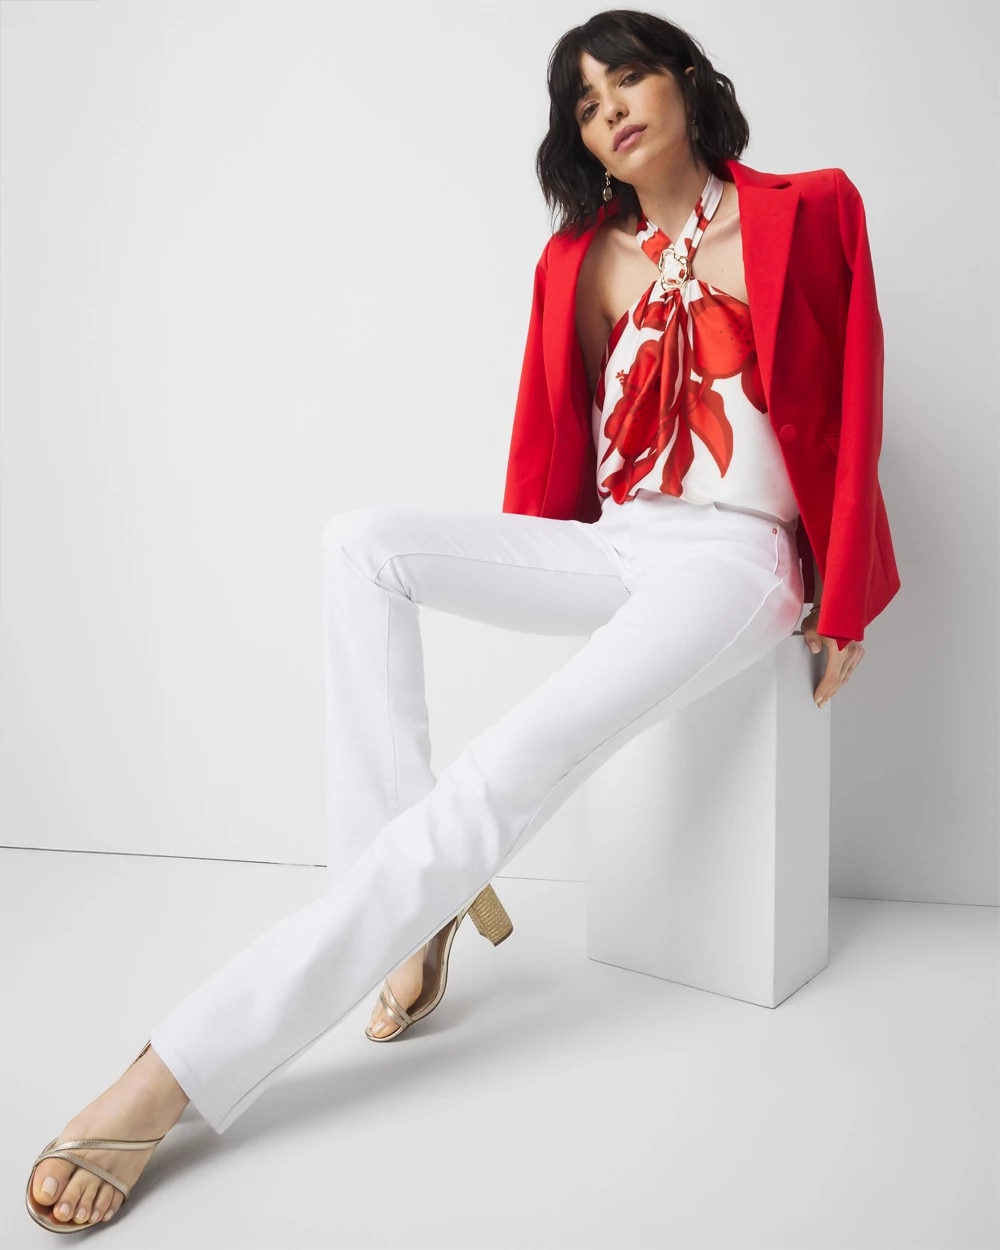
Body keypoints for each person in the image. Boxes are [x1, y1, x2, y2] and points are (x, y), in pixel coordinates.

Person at [24, 8, 899, 1234]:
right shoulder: (582, 260)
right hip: (624, 541)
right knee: (361, 545)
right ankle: (405, 902)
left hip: (736, 561)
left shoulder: (812, 208)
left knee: (501, 772)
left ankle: (175, 1067)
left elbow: (856, 398)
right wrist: (536, 560)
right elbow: (556, 444)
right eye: (584, 103)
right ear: (578, 139)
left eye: (627, 77)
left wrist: (844, 595)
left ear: (687, 81)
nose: (610, 108)